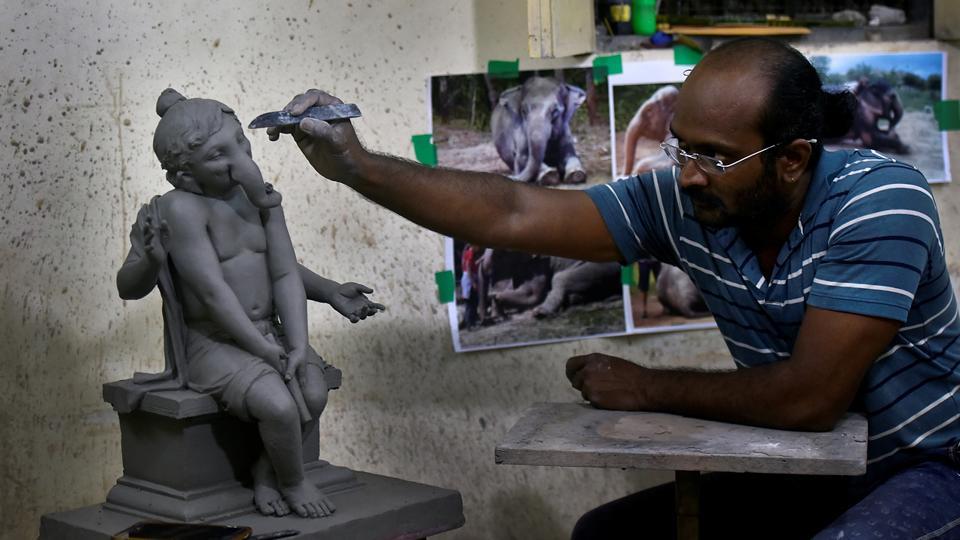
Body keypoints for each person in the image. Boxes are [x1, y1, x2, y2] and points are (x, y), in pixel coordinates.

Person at [268, 38, 960, 538]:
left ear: (793, 161)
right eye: (681, 146)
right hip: (817, 465)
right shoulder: (689, 201)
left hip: (933, 465)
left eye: (714, 157)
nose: (687, 173)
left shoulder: (880, 203)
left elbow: (810, 399)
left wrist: (648, 387)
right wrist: (356, 166)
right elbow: (514, 211)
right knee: (608, 534)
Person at [117, 89, 386, 520]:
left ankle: (268, 472)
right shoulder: (181, 209)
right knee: (279, 405)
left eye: (241, 144)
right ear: (183, 175)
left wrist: (307, 329)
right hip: (215, 343)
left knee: (313, 390)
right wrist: (262, 351)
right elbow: (211, 293)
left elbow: (281, 272)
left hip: (268, 333)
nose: (239, 159)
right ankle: (295, 481)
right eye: (219, 155)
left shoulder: (256, 199)